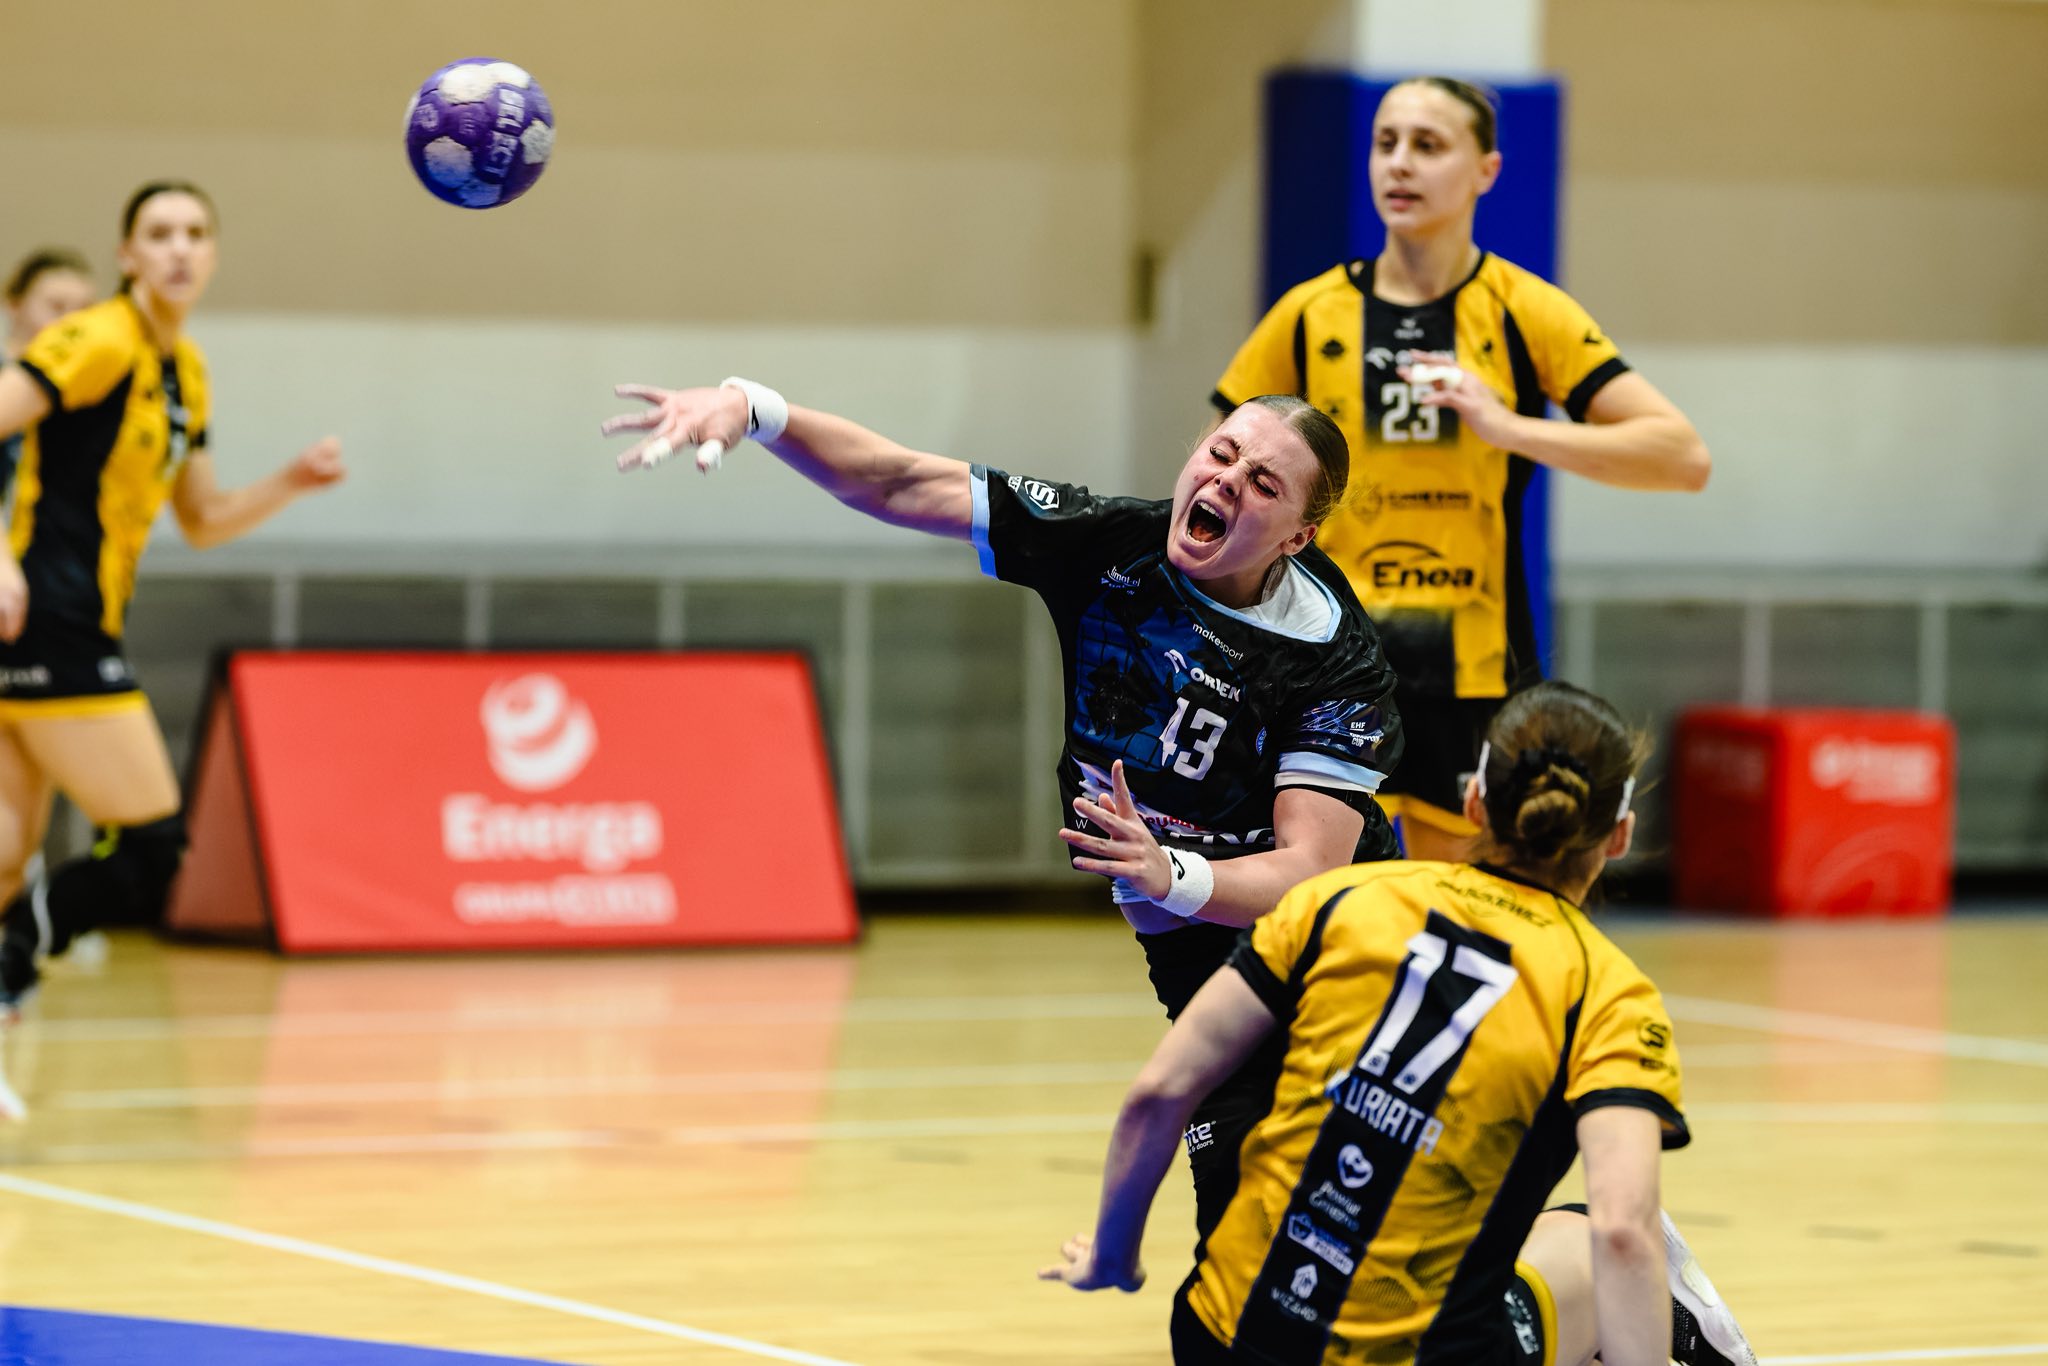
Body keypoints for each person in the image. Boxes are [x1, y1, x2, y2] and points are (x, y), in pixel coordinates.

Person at [603, 377, 1403, 1235]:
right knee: (1244, 1216)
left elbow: (1309, 872)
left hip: (1333, 941)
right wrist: (759, 411)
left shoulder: (1333, 658)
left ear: (1298, 536)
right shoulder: (1109, 545)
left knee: (1371, 1197)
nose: (1227, 481)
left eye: (1263, 483)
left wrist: (1170, 873)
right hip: (1193, 941)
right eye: (1222, 453)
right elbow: (901, 482)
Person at [1040, 680, 1756, 1366]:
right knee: (1587, 1239)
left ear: (1473, 802)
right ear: (1621, 835)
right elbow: (1625, 1233)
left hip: (1221, 1340)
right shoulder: (1608, 993)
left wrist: (1112, 1259)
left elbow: (1159, 1093)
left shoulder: (1344, 900)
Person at [1212, 76, 1709, 866]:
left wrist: (1508, 428)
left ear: (1486, 170)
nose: (1400, 163)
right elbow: (1216, 483)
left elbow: (1681, 458)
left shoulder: (1522, 310)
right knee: (1321, 901)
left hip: (1474, 672)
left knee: (1456, 910)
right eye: (1386, 143)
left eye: (1428, 145)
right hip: (1325, 660)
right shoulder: (1308, 315)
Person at [0, 183, 346, 1102]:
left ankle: (10, 954)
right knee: (151, 848)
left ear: (215, 254)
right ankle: (15, 957)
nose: (179, 250)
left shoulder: (184, 370)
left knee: (3, 854)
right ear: (126, 256)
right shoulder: (98, 339)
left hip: (71, 623)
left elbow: (203, 519)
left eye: (196, 233)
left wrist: (290, 483)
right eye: (159, 234)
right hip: (49, 621)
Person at [3, 249, 96, 495]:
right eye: (57, 307)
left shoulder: (91, 395)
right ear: (15, 305)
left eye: (85, 310)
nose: (72, 323)